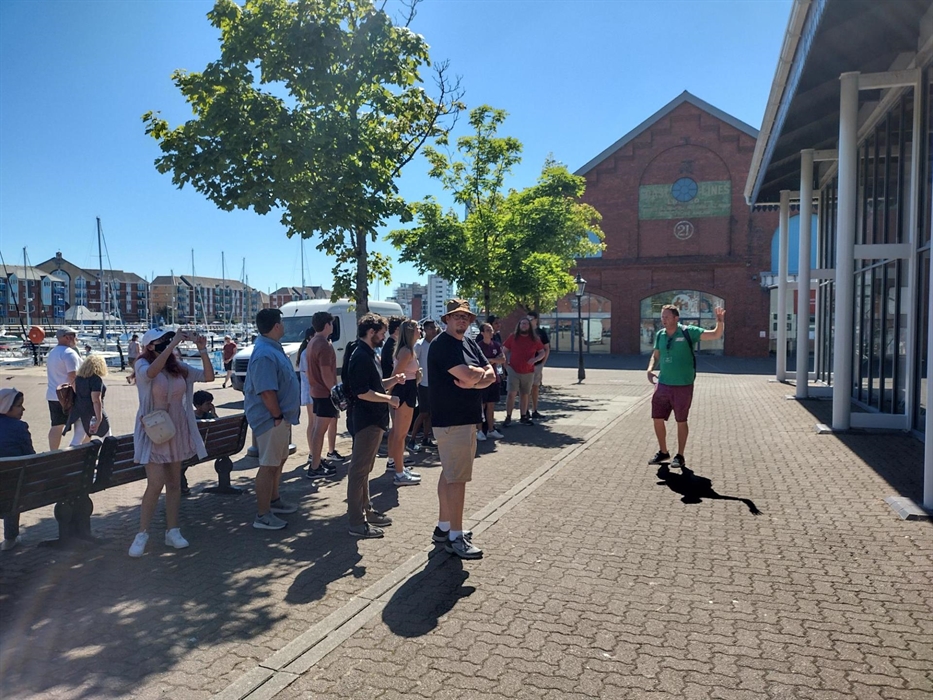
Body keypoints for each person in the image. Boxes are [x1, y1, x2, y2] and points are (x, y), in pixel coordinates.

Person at [128, 328, 215, 557]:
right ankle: (142, 533)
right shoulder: (142, 365)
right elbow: (149, 374)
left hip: (175, 428)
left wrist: (202, 349)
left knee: (174, 483)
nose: (167, 342)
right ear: (149, 346)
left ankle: (172, 531)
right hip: (154, 430)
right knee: (155, 483)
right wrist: (172, 344)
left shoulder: (177, 367)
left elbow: (209, 376)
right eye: (162, 340)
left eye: (169, 338)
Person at [429, 299, 496, 559]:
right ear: (447, 319)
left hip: (466, 419)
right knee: (457, 479)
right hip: (452, 421)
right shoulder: (442, 345)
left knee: (449, 474)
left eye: (466, 317)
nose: (462, 321)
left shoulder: (468, 342)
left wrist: (474, 381)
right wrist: (477, 377)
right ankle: (456, 536)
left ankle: (444, 527)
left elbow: (491, 373)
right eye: (457, 316)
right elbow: (474, 375)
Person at [346, 313, 405, 538]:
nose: (383, 337)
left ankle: (367, 511)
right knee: (359, 471)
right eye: (381, 333)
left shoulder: (368, 354)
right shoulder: (361, 355)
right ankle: (356, 522)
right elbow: (362, 392)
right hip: (367, 421)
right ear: (371, 332)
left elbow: (375, 385)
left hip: (374, 420)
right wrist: (389, 399)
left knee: (364, 470)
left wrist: (393, 381)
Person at [647, 304, 726, 470]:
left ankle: (680, 455)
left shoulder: (688, 331)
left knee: (681, 420)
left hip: (683, 385)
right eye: (662, 317)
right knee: (657, 418)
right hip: (663, 383)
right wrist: (650, 369)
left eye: (667, 317)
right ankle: (663, 452)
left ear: (676, 318)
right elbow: (656, 355)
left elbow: (715, 334)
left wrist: (720, 321)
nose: (664, 320)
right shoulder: (660, 335)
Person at [244, 308, 301, 530]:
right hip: (271, 419)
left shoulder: (272, 349)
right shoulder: (265, 354)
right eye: (282, 323)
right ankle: (262, 515)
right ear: (277, 326)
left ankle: (274, 501)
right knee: (268, 465)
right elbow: (266, 391)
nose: (284, 327)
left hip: (280, 419)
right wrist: (277, 416)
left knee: (278, 460)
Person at [304, 312, 342, 479]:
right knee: (320, 430)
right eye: (331, 324)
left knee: (318, 429)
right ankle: (315, 466)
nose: (332, 327)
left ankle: (316, 461)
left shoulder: (313, 342)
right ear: (327, 325)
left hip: (316, 391)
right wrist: (336, 392)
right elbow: (326, 372)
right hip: (324, 393)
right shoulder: (323, 345)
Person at [388, 319, 422, 486]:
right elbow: (396, 374)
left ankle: (398, 466)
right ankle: (399, 473)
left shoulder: (409, 350)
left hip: (407, 390)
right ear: (410, 331)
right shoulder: (406, 351)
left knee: (399, 433)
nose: (420, 330)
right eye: (417, 328)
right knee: (400, 434)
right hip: (403, 392)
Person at [0, 389, 34, 551]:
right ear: (7, 407)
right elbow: (31, 458)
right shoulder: (19, 427)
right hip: (13, 488)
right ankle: (11, 537)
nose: (23, 409)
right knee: (14, 486)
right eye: (19, 406)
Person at [502, 318, 545, 427]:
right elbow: (504, 350)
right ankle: (508, 416)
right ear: (519, 325)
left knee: (525, 394)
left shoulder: (535, 339)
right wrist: (505, 364)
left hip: (528, 371)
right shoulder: (513, 337)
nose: (524, 325)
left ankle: (523, 416)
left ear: (529, 326)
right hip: (513, 370)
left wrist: (535, 360)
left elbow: (542, 352)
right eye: (522, 324)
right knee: (511, 393)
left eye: (526, 324)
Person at [45, 326, 81, 450]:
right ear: (67, 337)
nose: (76, 339)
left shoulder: (53, 352)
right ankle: (81, 450)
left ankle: (53, 452)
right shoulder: (69, 353)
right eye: (75, 336)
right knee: (82, 423)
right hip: (68, 396)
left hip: (53, 394)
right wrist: (81, 395)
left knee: (56, 425)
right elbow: (73, 376)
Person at [64, 354, 112, 447]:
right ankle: (108, 459)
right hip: (92, 413)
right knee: (108, 437)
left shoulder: (78, 378)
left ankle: (70, 459)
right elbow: (96, 400)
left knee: (77, 439)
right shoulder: (96, 379)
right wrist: (99, 418)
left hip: (78, 411)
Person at [410, 320, 438, 450]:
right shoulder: (419, 345)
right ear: (425, 329)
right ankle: (412, 439)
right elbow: (413, 363)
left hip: (434, 384)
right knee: (423, 413)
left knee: (430, 414)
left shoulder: (437, 344)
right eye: (431, 328)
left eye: (434, 327)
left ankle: (426, 438)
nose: (434, 330)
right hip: (423, 384)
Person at [476, 322, 506, 440]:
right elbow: (478, 362)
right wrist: (492, 360)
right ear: (482, 333)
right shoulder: (478, 346)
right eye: (488, 330)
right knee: (481, 406)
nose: (491, 332)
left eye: (491, 330)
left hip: (494, 380)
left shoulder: (496, 345)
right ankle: (479, 431)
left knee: (491, 406)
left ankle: (491, 429)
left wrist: (490, 360)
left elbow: (502, 359)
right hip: (482, 380)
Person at [527, 310, 550, 419]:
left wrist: (542, 363)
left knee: (535, 387)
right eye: (527, 319)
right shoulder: (523, 332)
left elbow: (546, 348)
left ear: (536, 320)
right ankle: (525, 411)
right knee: (525, 388)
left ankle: (534, 410)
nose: (529, 322)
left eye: (530, 319)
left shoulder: (541, 332)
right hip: (525, 366)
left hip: (537, 365)